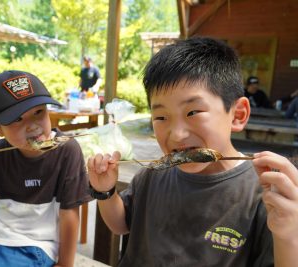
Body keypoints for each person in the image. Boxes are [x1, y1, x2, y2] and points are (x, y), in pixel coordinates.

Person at [87, 37, 298, 266]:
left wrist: (288, 235)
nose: (176, 134)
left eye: (193, 112)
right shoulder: (151, 175)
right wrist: (105, 192)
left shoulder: (264, 193)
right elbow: (122, 224)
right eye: (161, 117)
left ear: (237, 115)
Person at [0, 70, 91, 266]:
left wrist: (65, 264)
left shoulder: (66, 150)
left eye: (39, 112)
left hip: (35, 245)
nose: (32, 126)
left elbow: (70, 213)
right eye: (17, 120)